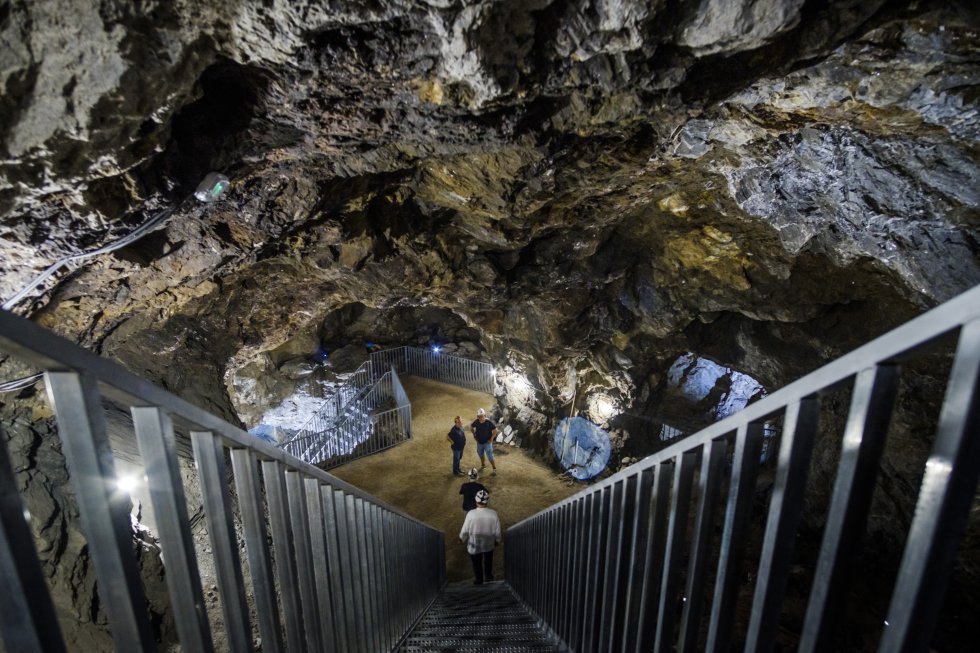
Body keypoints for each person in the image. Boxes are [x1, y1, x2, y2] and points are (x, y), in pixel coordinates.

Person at [459, 489, 501, 585]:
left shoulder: (471, 514)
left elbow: (465, 530)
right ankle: (488, 576)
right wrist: (497, 540)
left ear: (476, 500)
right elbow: (497, 531)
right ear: (487, 500)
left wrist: (461, 538)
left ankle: (479, 579)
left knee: (476, 563)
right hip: (488, 544)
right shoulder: (493, 513)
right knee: (488, 561)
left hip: (474, 545)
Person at [470, 407, 498, 475]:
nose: (481, 417)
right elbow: (471, 427)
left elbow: (495, 431)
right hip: (479, 442)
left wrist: (491, 439)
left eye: (482, 416)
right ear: (477, 416)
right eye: (479, 416)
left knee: (490, 456)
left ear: (485, 415)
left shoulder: (488, 422)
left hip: (487, 443)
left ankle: (494, 468)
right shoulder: (476, 422)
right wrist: (474, 434)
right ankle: (483, 465)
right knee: (480, 454)